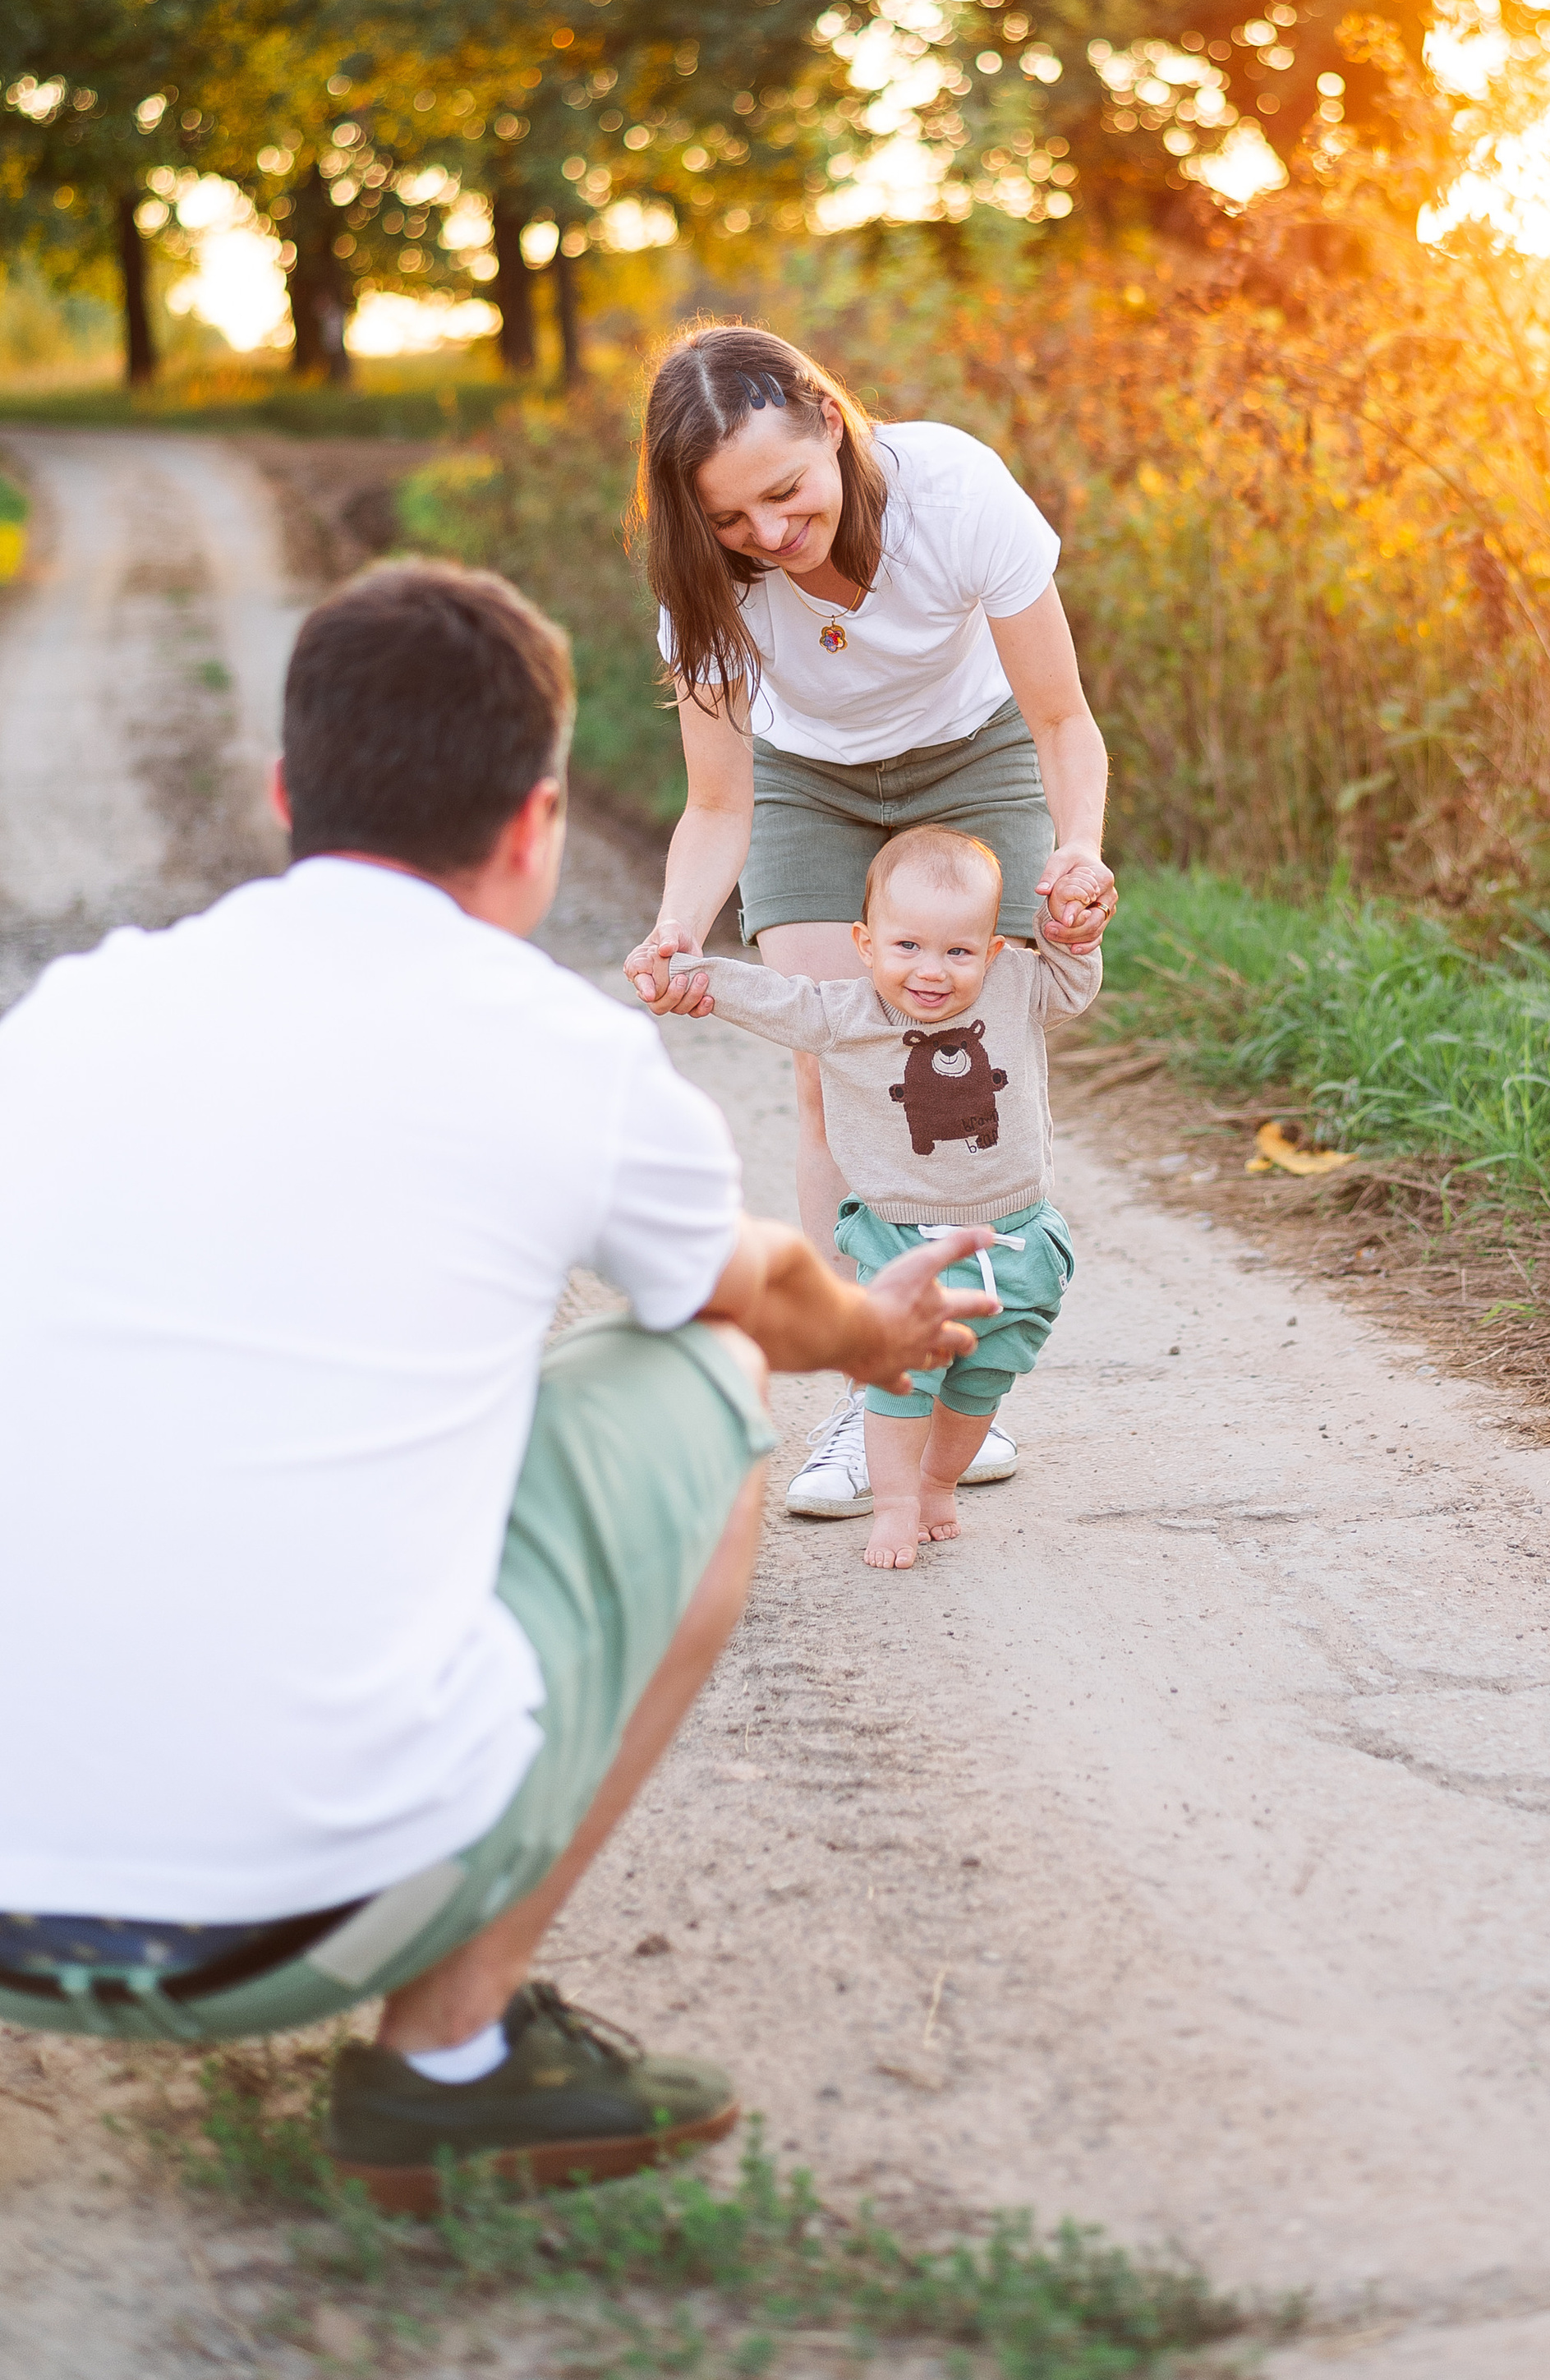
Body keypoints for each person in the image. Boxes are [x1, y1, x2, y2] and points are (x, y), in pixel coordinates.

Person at [0, 561, 995, 2212]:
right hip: (299, 1925)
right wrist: (884, 1341)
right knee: (701, 1361)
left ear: (281, 798)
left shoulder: (68, 1018)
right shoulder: (562, 1054)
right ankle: (445, 2064)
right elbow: (777, 1296)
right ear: (534, 828)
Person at [622, 324, 1118, 1521]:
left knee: (976, 1049)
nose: (771, 537)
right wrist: (679, 927)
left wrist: (1078, 851)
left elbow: (1061, 721)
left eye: (786, 494)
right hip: (809, 783)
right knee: (831, 1063)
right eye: (732, 520)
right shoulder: (705, 586)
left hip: (975, 754)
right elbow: (718, 803)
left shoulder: (952, 492)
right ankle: (875, 1371)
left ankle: (971, 1372)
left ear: (832, 424)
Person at [678, 823, 1100, 1567]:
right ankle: (897, 1502)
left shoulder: (1014, 987)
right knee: (903, 1381)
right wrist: (693, 978)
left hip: (1018, 1240)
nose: (931, 971)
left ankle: (939, 1482)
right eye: (907, 946)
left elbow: (1073, 981)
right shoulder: (845, 1016)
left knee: (982, 1384)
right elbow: (774, 997)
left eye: (958, 951)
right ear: (865, 943)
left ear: (993, 952)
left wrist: (1074, 932)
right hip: (906, 1241)